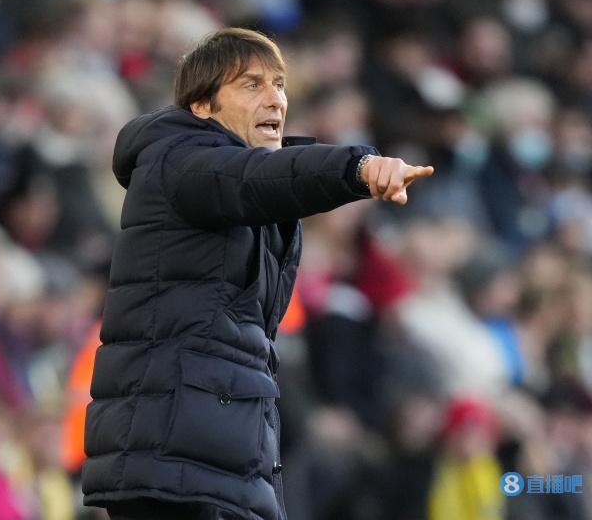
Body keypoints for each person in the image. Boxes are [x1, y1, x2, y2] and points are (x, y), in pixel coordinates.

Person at [83, 28, 434, 520]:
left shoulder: (238, 186)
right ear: (202, 106)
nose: (275, 99)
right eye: (252, 85)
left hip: (213, 451)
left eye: (280, 84)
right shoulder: (180, 160)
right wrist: (355, 168)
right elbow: (260, 178)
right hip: (171, 455)